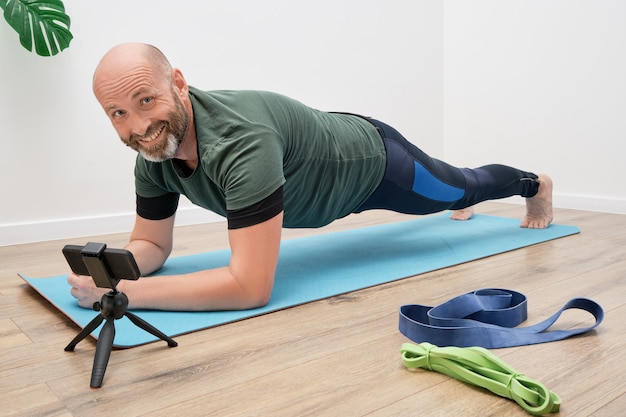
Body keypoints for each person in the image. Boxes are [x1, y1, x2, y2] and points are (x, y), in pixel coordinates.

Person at [68, 43, 553, 312]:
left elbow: (250, 287)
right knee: (452, 194)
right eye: (117, 113)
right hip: (319, 156)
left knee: (460, 187)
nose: (136, 128)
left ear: (178, 84)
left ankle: (533, 184)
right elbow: (151, 244)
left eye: (145, 101)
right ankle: (456, 201)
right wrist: (112, 268)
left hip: (370, 163)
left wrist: (123, 294)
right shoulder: (152, 153)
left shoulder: (242, 144)